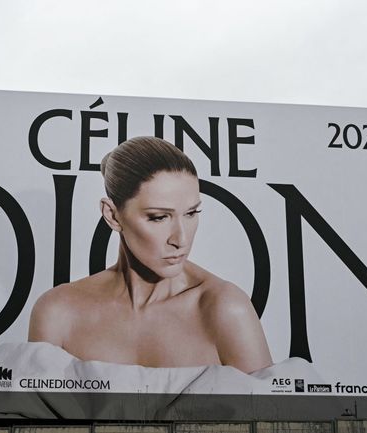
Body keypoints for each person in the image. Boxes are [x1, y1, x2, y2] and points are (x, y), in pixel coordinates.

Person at [29, 136, 272, 374]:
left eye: (191, 213)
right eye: (159, 217)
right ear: (112, 215)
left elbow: (270, 402)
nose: (181, 240)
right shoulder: (58, 313)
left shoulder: (225, 308)